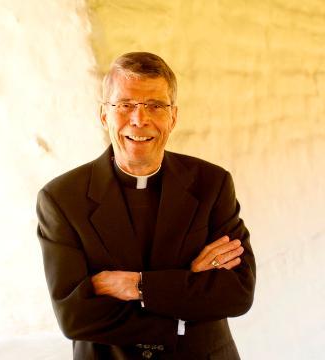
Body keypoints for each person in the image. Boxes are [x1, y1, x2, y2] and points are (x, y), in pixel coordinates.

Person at [36, 52, 256, 359]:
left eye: (155, 105)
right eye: (125, 105)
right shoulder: (61, 198)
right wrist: (187, 287)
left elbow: (237, 292)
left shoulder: (211, 184)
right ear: (104, 115)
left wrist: (138, 286)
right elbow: (74, 317)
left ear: (173, 116)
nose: (140, 119)